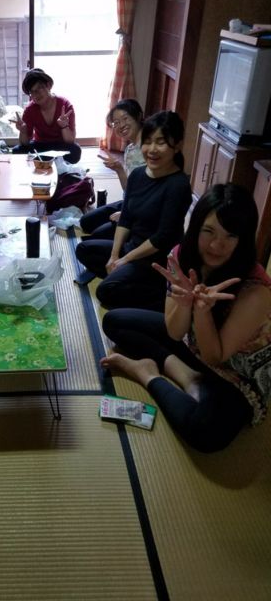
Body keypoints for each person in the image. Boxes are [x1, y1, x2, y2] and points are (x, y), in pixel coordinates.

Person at [101, 183, 271, 453]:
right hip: (193, 344)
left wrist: (202, 312)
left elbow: (215, 356)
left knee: (206, 434)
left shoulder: (255, 290)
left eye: (231, 235)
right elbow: (174, 332)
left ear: (243, 239)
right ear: (196, 226)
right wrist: (184, 305)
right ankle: (186, 374)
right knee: (114, 321)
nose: (216, 245)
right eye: (208, 231)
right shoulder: (181, 255)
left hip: (236, 374)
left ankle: (148, 374)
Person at [76, 110, 192, 311]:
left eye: (161, 142)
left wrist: (125, 260)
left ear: (177, 146)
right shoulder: (138, 174)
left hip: (155, 260)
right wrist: (114, 256)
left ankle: (159, 292)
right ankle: (125, 278)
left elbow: (162, 238)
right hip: (132, 246)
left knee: (105, 292)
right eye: (148, 142)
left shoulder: (178, 185)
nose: (152, 149)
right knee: (84, 249)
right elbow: (126, 219)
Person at [80, 99, 145, 241]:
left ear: (139, 116)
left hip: (142, 211)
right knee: (85, 222)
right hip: (128, 203)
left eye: (125, 119)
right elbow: (129, 189)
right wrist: (119, 170)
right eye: (116, 123)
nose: (121, 125)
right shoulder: (130, 149)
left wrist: (126, 215)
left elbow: (151, 195)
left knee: (96, 237)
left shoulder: (149, 149)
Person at [11, 68, 81, 164]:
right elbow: (25, 143)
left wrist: (64, 126)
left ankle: (44, 160)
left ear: (48, 86)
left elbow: (70, 141)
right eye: (32, 92)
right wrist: (23, 131)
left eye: (39, 88)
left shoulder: (65, 105)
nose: (36, 94)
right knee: (17, 151)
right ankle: (51, 160)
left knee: (75, 150)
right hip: (40, 145)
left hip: (60, 146)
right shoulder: (30, 109)